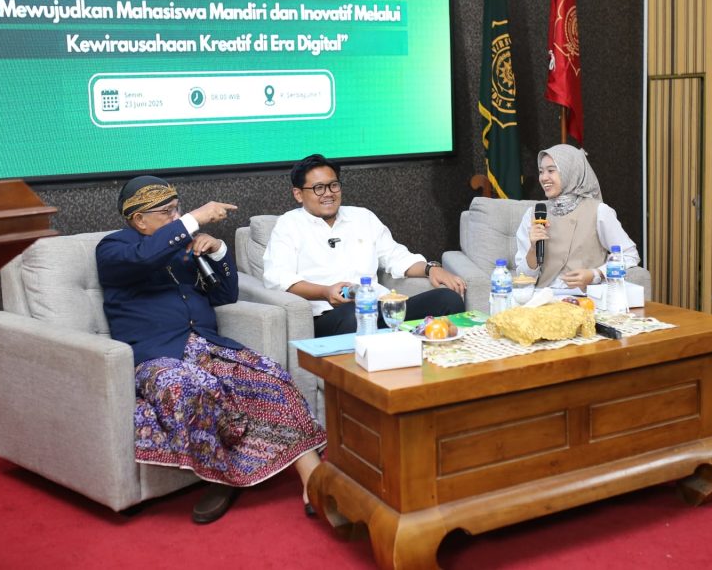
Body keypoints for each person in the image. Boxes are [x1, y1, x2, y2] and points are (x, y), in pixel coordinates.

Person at [96, 175, 326, 524]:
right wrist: (193, 219)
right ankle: (223, 478)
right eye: (167, 212)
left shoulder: (182, 246)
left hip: (207, 345)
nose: (176, 217)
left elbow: (224, 295)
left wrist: (217, 250)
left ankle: (315, 478)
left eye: (178, 209)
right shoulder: (114, 249)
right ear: (139, 219)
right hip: (158, 356)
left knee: (269, 374)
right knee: (190, 387)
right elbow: (144, 258)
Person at [263, 154, 467, 337]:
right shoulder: (289, 225)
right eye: (318, 188)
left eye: (333, 185)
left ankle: (439, 361)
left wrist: (431, 269)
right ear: (298, 194)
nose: (328, 193)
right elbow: (279, 278)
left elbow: (395, 256)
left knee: (448, 300)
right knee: (351, 316)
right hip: (329, 316)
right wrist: (324, 292)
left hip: (378, 307)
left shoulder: (362, 217)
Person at [515, 144, 640, 290]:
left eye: (551, 171)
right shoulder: (533, 214)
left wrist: (595, 274)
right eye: (541, 171)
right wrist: (532, 249)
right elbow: (523, 278)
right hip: (542, 298)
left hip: (586, 299)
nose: (543, 178)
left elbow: (630, 255)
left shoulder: (599, 211)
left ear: (571, 171)